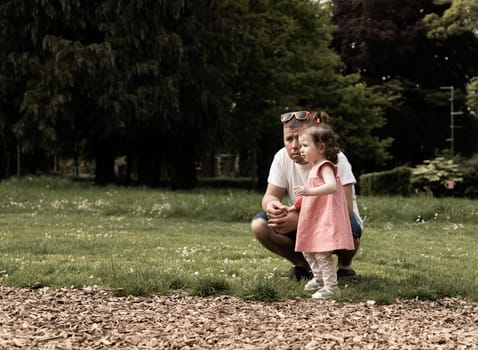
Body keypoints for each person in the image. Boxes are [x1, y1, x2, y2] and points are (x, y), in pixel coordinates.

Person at [250, 110, 363, 282]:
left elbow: (345, 210)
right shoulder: (281, 158)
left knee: (352, 231)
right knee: (260, 225)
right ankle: (304, 266)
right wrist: (273, 206)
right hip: (299, 217)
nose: (295, 146)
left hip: (335, 220)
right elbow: (269, 197)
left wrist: (301, 218)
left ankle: (345, 266)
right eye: (289, 139)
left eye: (301, 140)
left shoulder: (334, 159)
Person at [288, 126, 354, 298]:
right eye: (301, 146)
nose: (300, 149)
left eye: (305, 145)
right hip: (313, 217)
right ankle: (319, 278)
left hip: (324, 217)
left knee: (321, 252)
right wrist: (294, 207)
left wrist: (308, 191)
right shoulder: (314, 168)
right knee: (307, 249)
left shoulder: (325, 166)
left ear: (321, 148)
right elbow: (311, 192)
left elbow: (331, 186)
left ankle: (331, 286)